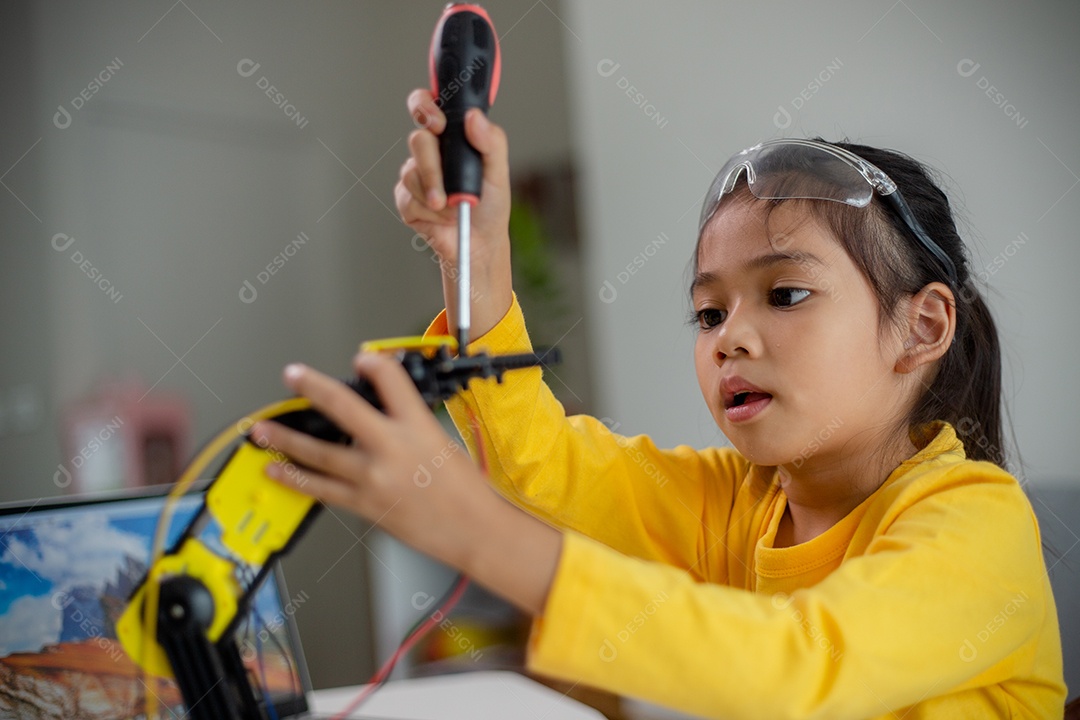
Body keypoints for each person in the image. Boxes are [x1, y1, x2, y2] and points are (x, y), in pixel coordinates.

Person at [249, 89, 1066, 718]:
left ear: (922, 328)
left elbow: (795, 667)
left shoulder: (978, 524)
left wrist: (476, 532)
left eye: (785, 294)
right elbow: (542, 461)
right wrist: (477, 254)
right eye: (709, 313)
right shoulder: (735, 503)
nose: (729, 338)